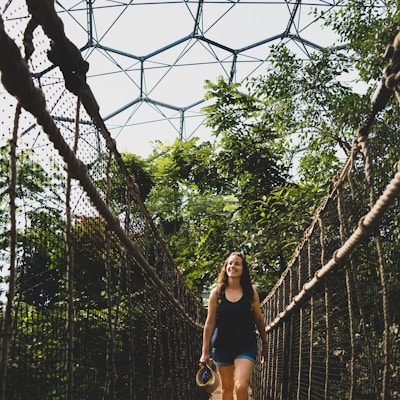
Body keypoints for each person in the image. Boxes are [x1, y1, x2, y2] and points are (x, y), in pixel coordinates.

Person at [200, 251, 268, 400]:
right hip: (222, 347)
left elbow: (258, 319)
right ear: (226, 267)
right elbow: (210, 323)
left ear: (243, 269)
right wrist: (205, 352)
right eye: (230, 263)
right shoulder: (216, 294)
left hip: (246, 346)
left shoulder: (251, 293)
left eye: (237, 263)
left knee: (241, 386)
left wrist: (264, 343)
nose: (233, 266)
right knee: (226, 390)